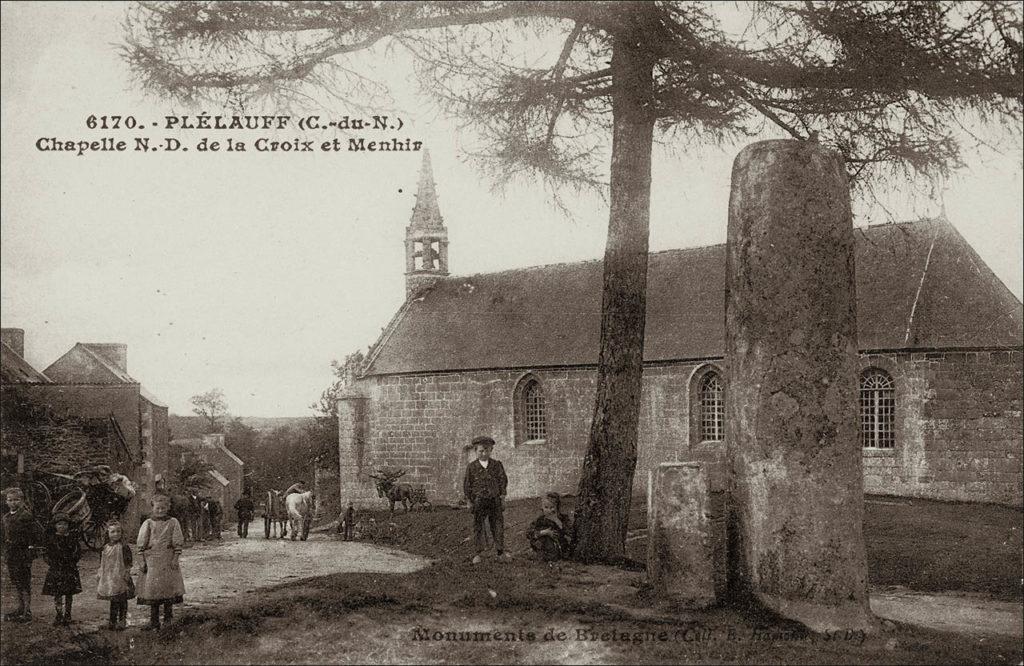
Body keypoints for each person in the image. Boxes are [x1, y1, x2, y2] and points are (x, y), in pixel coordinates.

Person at [135, 494, 185, 630]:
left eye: (163, 508)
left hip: (167, 559)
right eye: (157, 508)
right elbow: (141, 543)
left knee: (168, 589)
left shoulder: (173, 522)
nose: (160, 510)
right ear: (153, 508)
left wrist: (175, 558)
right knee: (153, 591)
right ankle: (154, 620)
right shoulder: (148, 523)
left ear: (168, 508)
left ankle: (168, 619)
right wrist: (142, 560)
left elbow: (177, 542)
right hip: (152, 561)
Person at [462, 435, 509, 564]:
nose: (484, 453)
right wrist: (469, 501)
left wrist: (502, 497)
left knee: (497, 525)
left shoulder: (497, 465)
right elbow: (467, 485)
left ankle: (500, 552)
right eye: (481, 451)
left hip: (494, 500)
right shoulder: (471, 467)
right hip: (479, 501)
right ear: (475, 451)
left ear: (491, 450)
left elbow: (503, 481)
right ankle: (478, 553)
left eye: (487, 450)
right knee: (478, 526)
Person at [2, 487, 36, 622]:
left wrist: (29, 551)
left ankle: (27, 611)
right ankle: (20, 608)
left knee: (24, 582)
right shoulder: (5, 517)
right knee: (16, 581)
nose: (13, 503)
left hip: (22, 553)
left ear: (22, 501)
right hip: (11, 554)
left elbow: (33, 536)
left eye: (16, 500)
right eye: (10, 500)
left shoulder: (26, 516)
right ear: (6, 502)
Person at [42, 514, 82, 626]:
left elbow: (78, 552)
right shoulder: (52, 539)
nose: (62, 526)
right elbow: (46, 554)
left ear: (68, 525)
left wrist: (73, 561)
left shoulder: (72, 538)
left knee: (69, 593)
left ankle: (68, 614)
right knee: (57, 593)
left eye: (65, 524)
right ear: (55, 526)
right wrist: (51, 562)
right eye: (59, 524)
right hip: (56, 569)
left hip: (69, 569)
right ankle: (59, 614)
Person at [96, 521, 133, 630]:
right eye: (113, 532)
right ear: (107, 533)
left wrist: (127, 573)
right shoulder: (105, 548)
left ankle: (122, 620)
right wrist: (100, 573)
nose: (116, 534)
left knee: (122, 598)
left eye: (118, 531)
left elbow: (128, 562)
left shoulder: (123, 547)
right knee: (113, 599)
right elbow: (102, 562)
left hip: (120, 576)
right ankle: (112, 621)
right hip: (110, 577)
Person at [527, 493, 572, 562]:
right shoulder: (540, 519)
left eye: (552, 507)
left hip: (559, 545)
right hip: (543, 545)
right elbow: (529, 532)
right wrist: (543, 532)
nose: (549, 510)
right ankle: (537, 554)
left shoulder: (563, 518)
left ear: (557, 507)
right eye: (546, 507)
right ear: (542, 508)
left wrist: (557, 521)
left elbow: (570, 532)